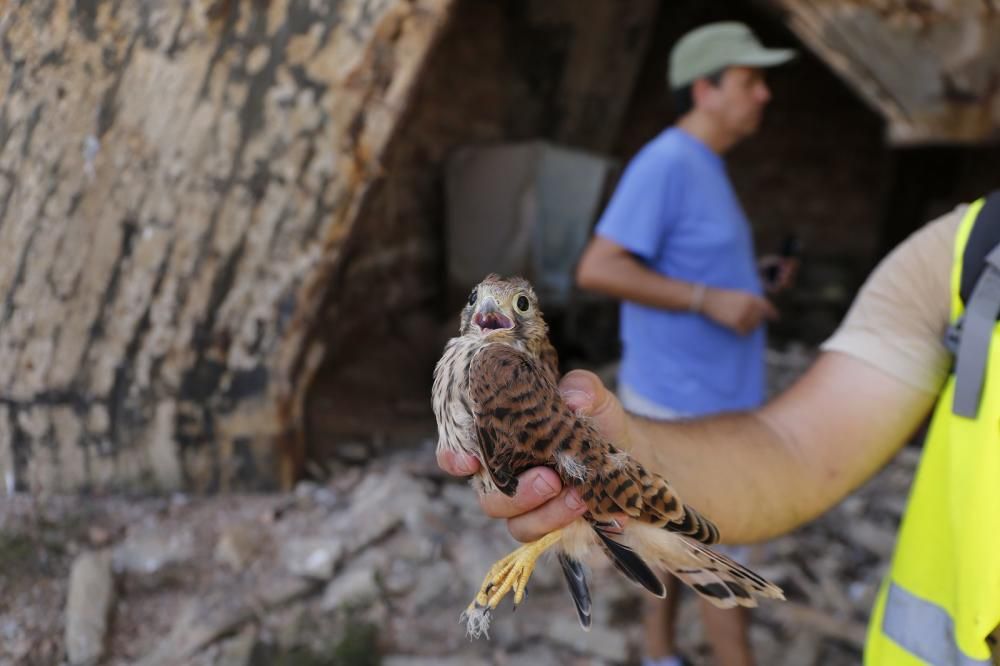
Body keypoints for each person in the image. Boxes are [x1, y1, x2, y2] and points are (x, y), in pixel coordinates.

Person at [439, 194, 1000, 665]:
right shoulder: (971, 252)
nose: (492, 313)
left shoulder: (496, 372)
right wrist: (625, 453)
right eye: (478, 303)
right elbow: (795, 450)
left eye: (515, 304)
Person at [573, 21, 796, 666]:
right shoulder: (668, 162)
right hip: (684, 409)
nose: (765, 96)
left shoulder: (704, 166)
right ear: (704, 89)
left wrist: (747, 281)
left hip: (707, 401)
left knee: (667, 546)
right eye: (751, 81)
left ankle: (660, 655)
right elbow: (599, 267)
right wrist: (709, 300)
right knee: (723, 570)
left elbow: (688, 266)